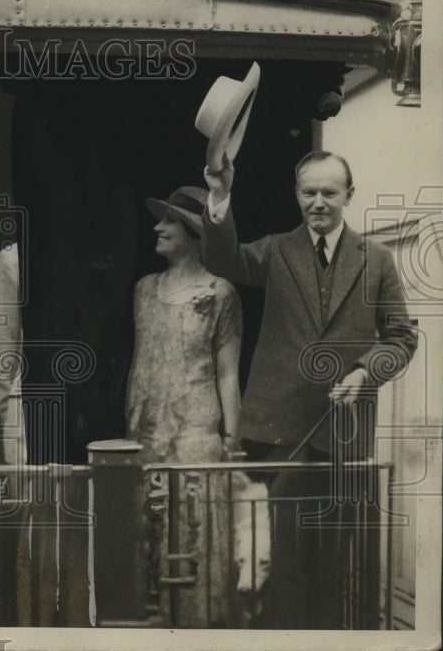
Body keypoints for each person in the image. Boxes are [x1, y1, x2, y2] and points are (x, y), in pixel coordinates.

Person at [202, 150, 417, 628]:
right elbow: (223, 258)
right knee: (291, 561)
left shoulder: (377, 260)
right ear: (297, 195)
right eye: (308, 192)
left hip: (344, 436)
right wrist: (219, 195)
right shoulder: (277, 250)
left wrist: (365, 370)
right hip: (283, 435)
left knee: (334, 563)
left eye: (329, 192)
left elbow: (401, 338)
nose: (318, 202)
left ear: (349, 195)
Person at [124, 185, 242, 627]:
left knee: (193, 538)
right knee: (147, 538)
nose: (158, 227)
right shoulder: (143, 289)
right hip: (144, 433)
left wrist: (232, 442)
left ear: (194, 231)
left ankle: (197, 630)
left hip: (195, 436)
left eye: (169, 220)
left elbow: (228, 374)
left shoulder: (220, 293)